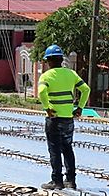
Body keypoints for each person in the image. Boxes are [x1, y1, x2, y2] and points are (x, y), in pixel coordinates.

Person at [37, 44, 90, 190]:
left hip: (54, 119)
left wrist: (47, 108)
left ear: (49, 61)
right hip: (68, 118)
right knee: (67, 149)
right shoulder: (71, 74)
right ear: (61, 59)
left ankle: (57, 181)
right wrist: (80, 108)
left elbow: (41, 92)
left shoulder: (46, 76)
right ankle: (71, 180)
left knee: (54, 150)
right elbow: (86, 89)